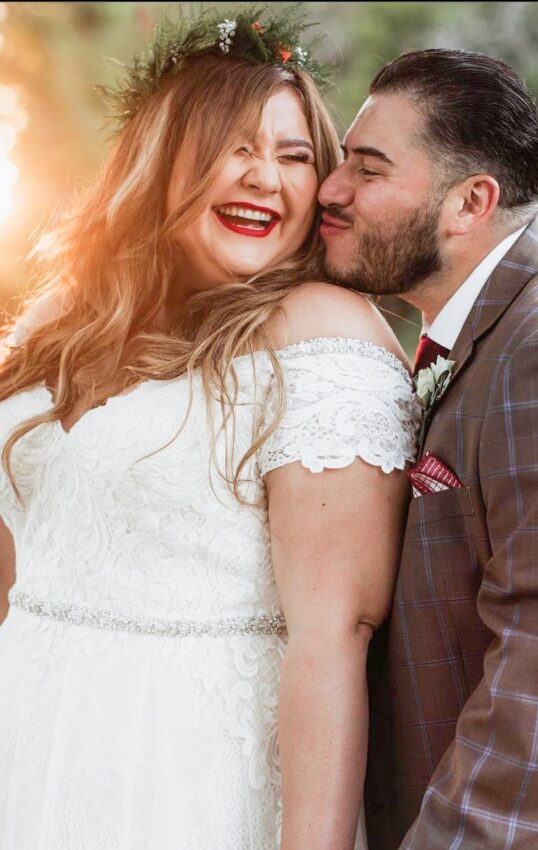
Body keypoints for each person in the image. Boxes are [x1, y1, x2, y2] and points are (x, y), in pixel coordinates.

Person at [0, 9, 421, 849]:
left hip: (182, 777)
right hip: (28, 746)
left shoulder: (322, 332)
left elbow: (334, 640)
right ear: (160, 163)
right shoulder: (65, 320)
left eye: (295, 155)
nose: (266, 177)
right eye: (235, 146)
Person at [318, 48, 538, 850]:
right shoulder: (490, 327)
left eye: (368, 170)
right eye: (341, 161)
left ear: (471, 202)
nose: (331, 191)